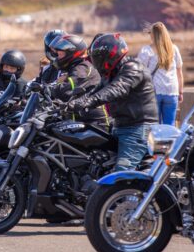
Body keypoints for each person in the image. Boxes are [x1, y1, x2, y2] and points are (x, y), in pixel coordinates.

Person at [68, 33, 158, 172]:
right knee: (96, 164)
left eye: (98, 58)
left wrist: (88, 101)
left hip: (137, 129)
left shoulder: (133, 68)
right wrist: (71, 103)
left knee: (121, 174)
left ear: (110, 56)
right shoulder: (111, 73)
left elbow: (116, 89)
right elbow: (94, 91)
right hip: (119, 127)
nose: (96, 62)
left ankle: (125, 193)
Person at [47, 35, 108, 126]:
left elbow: (66, 89)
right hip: (80, 120)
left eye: (60, 55)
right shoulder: (73, 68)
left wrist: (47, 89)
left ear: (71, 53)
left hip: (94, 124)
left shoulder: (82, 69)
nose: (58, 58)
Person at [137, 22, 184, 126]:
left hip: (153, 92)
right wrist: (180, 92)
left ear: (152, 35)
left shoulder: (146, 50)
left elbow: (139, 72)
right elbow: (179, 72)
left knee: (153, 127)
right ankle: (170, 142)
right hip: (172, 92)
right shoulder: (174, 49)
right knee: (170, 126)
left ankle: (156, 143)